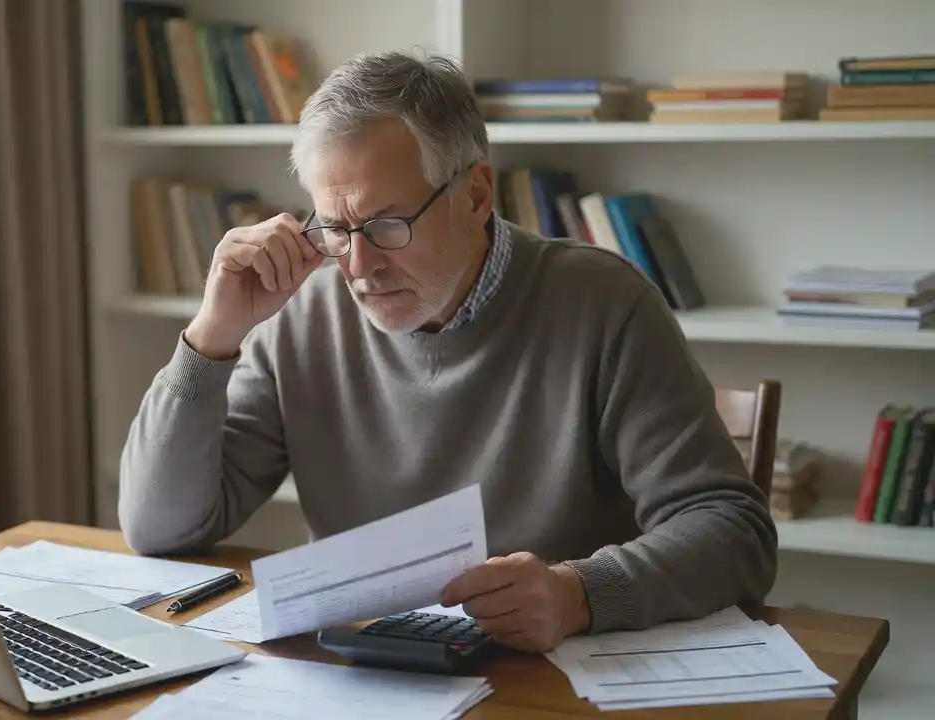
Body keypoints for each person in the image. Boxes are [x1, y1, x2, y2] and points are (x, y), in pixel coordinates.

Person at [118, 51, 777, 652]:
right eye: (336, 229)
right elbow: (160, 529)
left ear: (476, 194)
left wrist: (580, 593)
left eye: (385, 224)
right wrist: (211, 338)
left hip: (547, 680)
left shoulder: (606, 305)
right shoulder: (302, 319)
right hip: (363, 673)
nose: (359, 265)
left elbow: (732, 530)